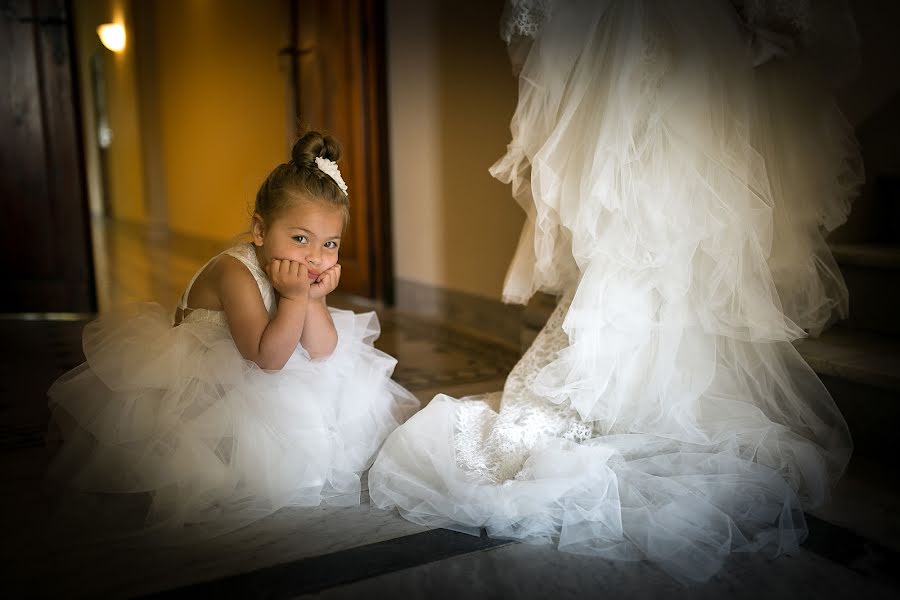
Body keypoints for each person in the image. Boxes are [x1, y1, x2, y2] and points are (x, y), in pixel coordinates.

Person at [369, 0, 862, 583]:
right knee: (642, 216)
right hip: (665, 43)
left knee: (662, 219)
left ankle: (639, 389)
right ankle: (628, 390)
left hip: (667, 46)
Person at [46, 130, 418, 542]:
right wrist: (296, 299)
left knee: (332, 386)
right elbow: (265, 360)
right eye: (300, 238)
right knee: (248, 437)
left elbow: (322, 349)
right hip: (206, 377)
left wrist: (312, 299)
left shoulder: (301, 272)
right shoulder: (234, 273)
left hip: (264, 355)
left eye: (330, 244)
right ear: (260, 230)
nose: (315, 257)